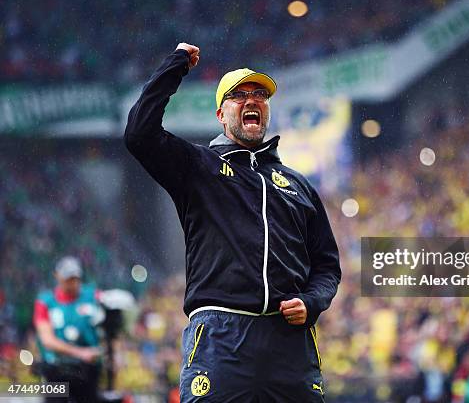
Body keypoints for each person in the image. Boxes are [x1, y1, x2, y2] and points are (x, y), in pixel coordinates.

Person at [124, 43, 341, 402]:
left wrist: (312, 301)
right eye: (238, 95)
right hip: (221, 337)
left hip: (289, 343)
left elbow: (327, 267)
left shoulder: (299, 186)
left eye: (259, 94)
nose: (251, 100)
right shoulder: (198, 167)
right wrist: (175, 66)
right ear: (221, 115)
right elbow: (139, 134)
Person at [33, 256, 103, 403]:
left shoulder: (93, 296)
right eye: (68, 278)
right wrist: (80, 353)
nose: (72, 283)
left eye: (75, 278)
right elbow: (47, 340)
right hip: (55, 370)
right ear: (57, 276)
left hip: (87, 372)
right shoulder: (45, 302)